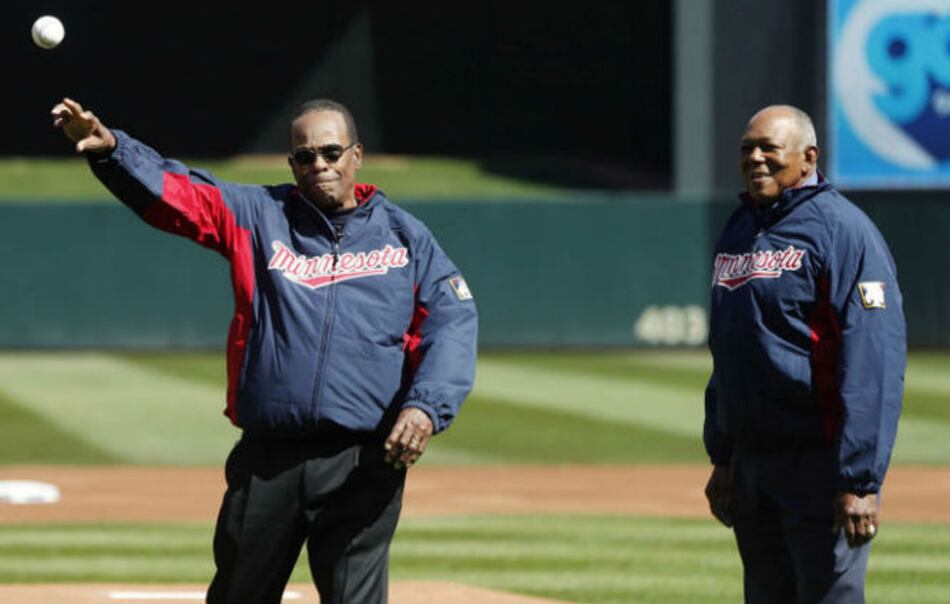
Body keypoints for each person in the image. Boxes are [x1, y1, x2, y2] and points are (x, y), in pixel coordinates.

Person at [51, 97, 478, 603]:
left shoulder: (407, 238)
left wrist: (426, 407)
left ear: (357, 156)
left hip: (363, 461)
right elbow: (180, 196)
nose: (319, 164)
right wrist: (113, 151)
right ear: (291, 164)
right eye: (304, 156)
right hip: (270, 458)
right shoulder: (260, 215)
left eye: (331, 151)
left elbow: (452, 323)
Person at [703, 105, 906, 603]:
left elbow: (872, 356)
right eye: (747, 149)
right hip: (754, 466)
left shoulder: (843, 230)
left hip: (816, 462)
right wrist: (724, 456)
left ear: (808, 156)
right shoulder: (740, 227)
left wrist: (859, 479)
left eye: (768, 149)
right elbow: (729, 351)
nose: (755, 159)